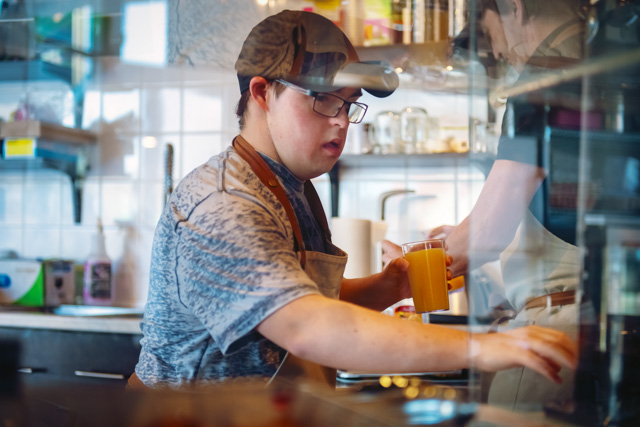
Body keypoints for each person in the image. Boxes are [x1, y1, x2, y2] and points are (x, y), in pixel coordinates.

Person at [131, 9, 577, 391]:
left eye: (350, 104)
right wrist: (480, 346)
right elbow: (304, 325)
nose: (342, 122)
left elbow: (304, 297)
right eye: (324, 100)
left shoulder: (291, 187)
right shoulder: (225, 203)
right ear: (263, 93)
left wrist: (391, 287)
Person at [383, 0, 586, 410]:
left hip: (555, 325)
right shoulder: (596, 64)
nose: (498, 54)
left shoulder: (543, 78)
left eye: (491, 33)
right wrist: (457, 239)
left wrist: (410, 265)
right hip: (594, 320)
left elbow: (488, 233)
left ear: (516, 7)